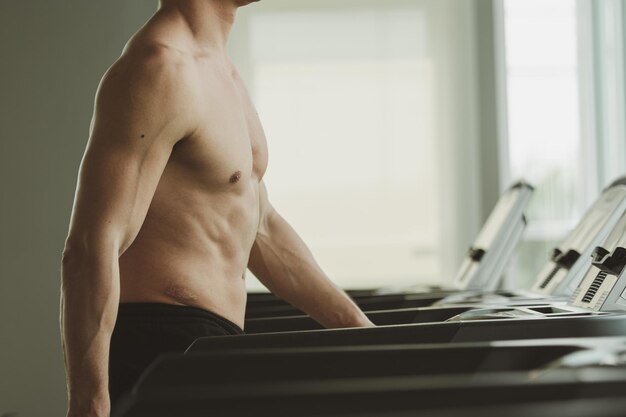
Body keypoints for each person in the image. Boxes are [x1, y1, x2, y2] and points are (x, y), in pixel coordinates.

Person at [60, 0, 374, 415]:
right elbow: (91, 244)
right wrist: (90, 403)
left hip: (213, 343)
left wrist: (361, 332)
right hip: (162, 345)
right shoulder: (160, 67)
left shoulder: (221, 71)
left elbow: (260, 228)